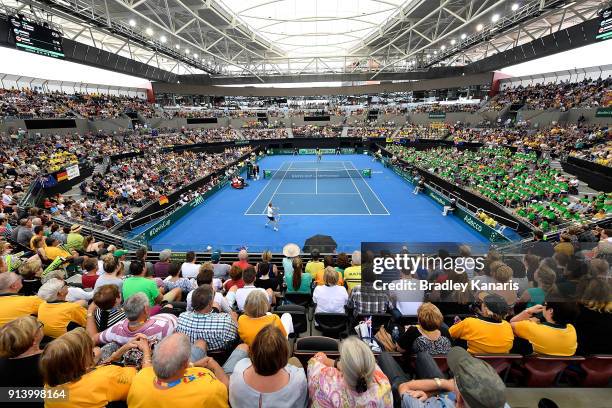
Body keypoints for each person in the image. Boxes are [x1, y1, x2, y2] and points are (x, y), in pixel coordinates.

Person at [40, 328, 142, 408]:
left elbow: (91, 374)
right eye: (91, 352)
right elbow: (137, 379)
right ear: (83, 363)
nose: (93, 351)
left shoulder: (49, 385)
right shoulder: (106, 377)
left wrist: (115, 355)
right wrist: (146, 354)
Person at [378, 346, 509, 408]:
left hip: (425, 395)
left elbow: (404, 387)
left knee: (384, 356)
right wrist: (435, 391)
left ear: (460, 401)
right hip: (443, 394)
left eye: (457, 378)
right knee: (423, 355)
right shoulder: (497, 401)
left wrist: (443, 384)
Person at [127, 333, 229, 407]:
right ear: (185, 364)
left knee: (200, 344)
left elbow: (146, 368)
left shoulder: (139, 379)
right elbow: (227, 390)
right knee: (242, 348)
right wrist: (214, 365)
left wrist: (146, 351)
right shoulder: (209, 391)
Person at [229, 325, 308, 408]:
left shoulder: (239, 368)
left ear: (253, 351)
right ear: (284, 355)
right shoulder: (299, 379)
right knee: (295, 360)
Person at [308, 336, 392, 407]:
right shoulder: (384, 386)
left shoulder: (325, 383)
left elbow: (314, 362)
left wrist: (334, 363)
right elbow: (369, 366)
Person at [91, 292, 177, 345]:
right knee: (169, 305)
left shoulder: (115, 329)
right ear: (146, 310)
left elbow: (94, 338)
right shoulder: (165, 327)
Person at [510, 295, 579, 356]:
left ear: (551, 310)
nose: (543, 306)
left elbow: (512, 323)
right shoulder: (572, 330)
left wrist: (529, 311)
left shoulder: (531, 328)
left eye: (544, 303)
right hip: (560, 368)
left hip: (534, 366)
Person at [177, 285, 238, 351]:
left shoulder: (181, 318)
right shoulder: (225, 321)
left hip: (190, 355)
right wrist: (234, 319)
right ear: (210, 303)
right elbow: (235, 336)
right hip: (220, 358)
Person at [448, 293, 514, 354]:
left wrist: (459, 325)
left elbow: (449, 334)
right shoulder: (507, 326)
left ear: (486, 309)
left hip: (474, 364)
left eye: (482, 303)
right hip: (501, 365)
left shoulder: (469, 322)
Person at [0, 316, 44, 388]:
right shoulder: (47, 363)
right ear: (35, 337)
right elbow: (60, 394)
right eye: (39, 326)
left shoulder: (3, 361)